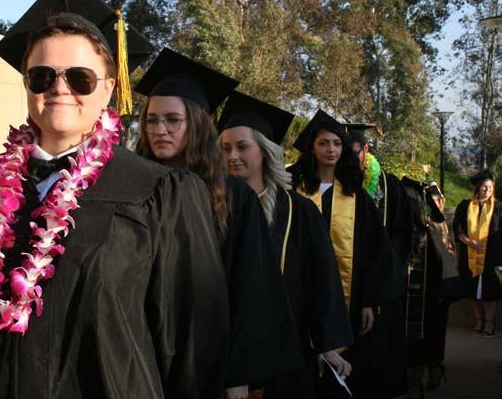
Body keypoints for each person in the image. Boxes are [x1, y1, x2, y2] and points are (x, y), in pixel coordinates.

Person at [0, 0, 230, 399]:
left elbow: (194, 346)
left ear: (108, 88)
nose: (59, 88)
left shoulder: (160, 191)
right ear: (27, 84)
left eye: (80, 78)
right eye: (42, 76)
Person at [134, 49, 302, 399]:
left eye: (172, 120)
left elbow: (250, 287)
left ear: (195, 122)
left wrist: (237, 373)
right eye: (152, 120)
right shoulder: (132, 186)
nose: (160, 130)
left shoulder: (234, 196)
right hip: (139, 348)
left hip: (206, 354)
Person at [217, 92, 353, 399]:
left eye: (242, 147)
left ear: (265, 151)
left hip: (287, 350)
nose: (232, 156)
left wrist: (325, 344)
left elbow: (321, 279)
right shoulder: (213, 206)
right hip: (224, 347)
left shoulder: (299, 211)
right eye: (225, 148)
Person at [289, 110, 398, 399]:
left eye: (337, 143)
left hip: (346, 302)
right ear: (312, 146)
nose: (331, 150)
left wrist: (367, 301)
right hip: (298, 296)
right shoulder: (292, 191)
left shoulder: (356, 196)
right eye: (324, 143)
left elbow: (376, 251)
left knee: (344, 377)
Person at [346, 124, 412, 399]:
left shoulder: (390, 186)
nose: (349, 160)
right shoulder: (340, 186)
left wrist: (380, 276)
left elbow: (402, 236)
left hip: (381, 285)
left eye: (354, 153)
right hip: (348, 282)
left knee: (380, 354)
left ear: (366, 150)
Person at [402, 178, 463, 397]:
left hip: (437, 291)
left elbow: (447, 259)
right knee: (415, 337)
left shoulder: (436, 226)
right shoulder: (403, 226)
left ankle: (433, 368)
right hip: (415, 293)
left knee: (431, 334)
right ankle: (415, 379)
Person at [452, 169, 502, 337]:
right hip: (469, 254)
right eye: (484, 187)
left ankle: (490, 323)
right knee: (471, 290)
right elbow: (458, 228)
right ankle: (479, 321)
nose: (487, 190)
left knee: (490, 292)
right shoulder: (465, 206)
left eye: (490, 187)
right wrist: (469, 242)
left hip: (492, 256)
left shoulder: (498, 207)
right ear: (478, 188)